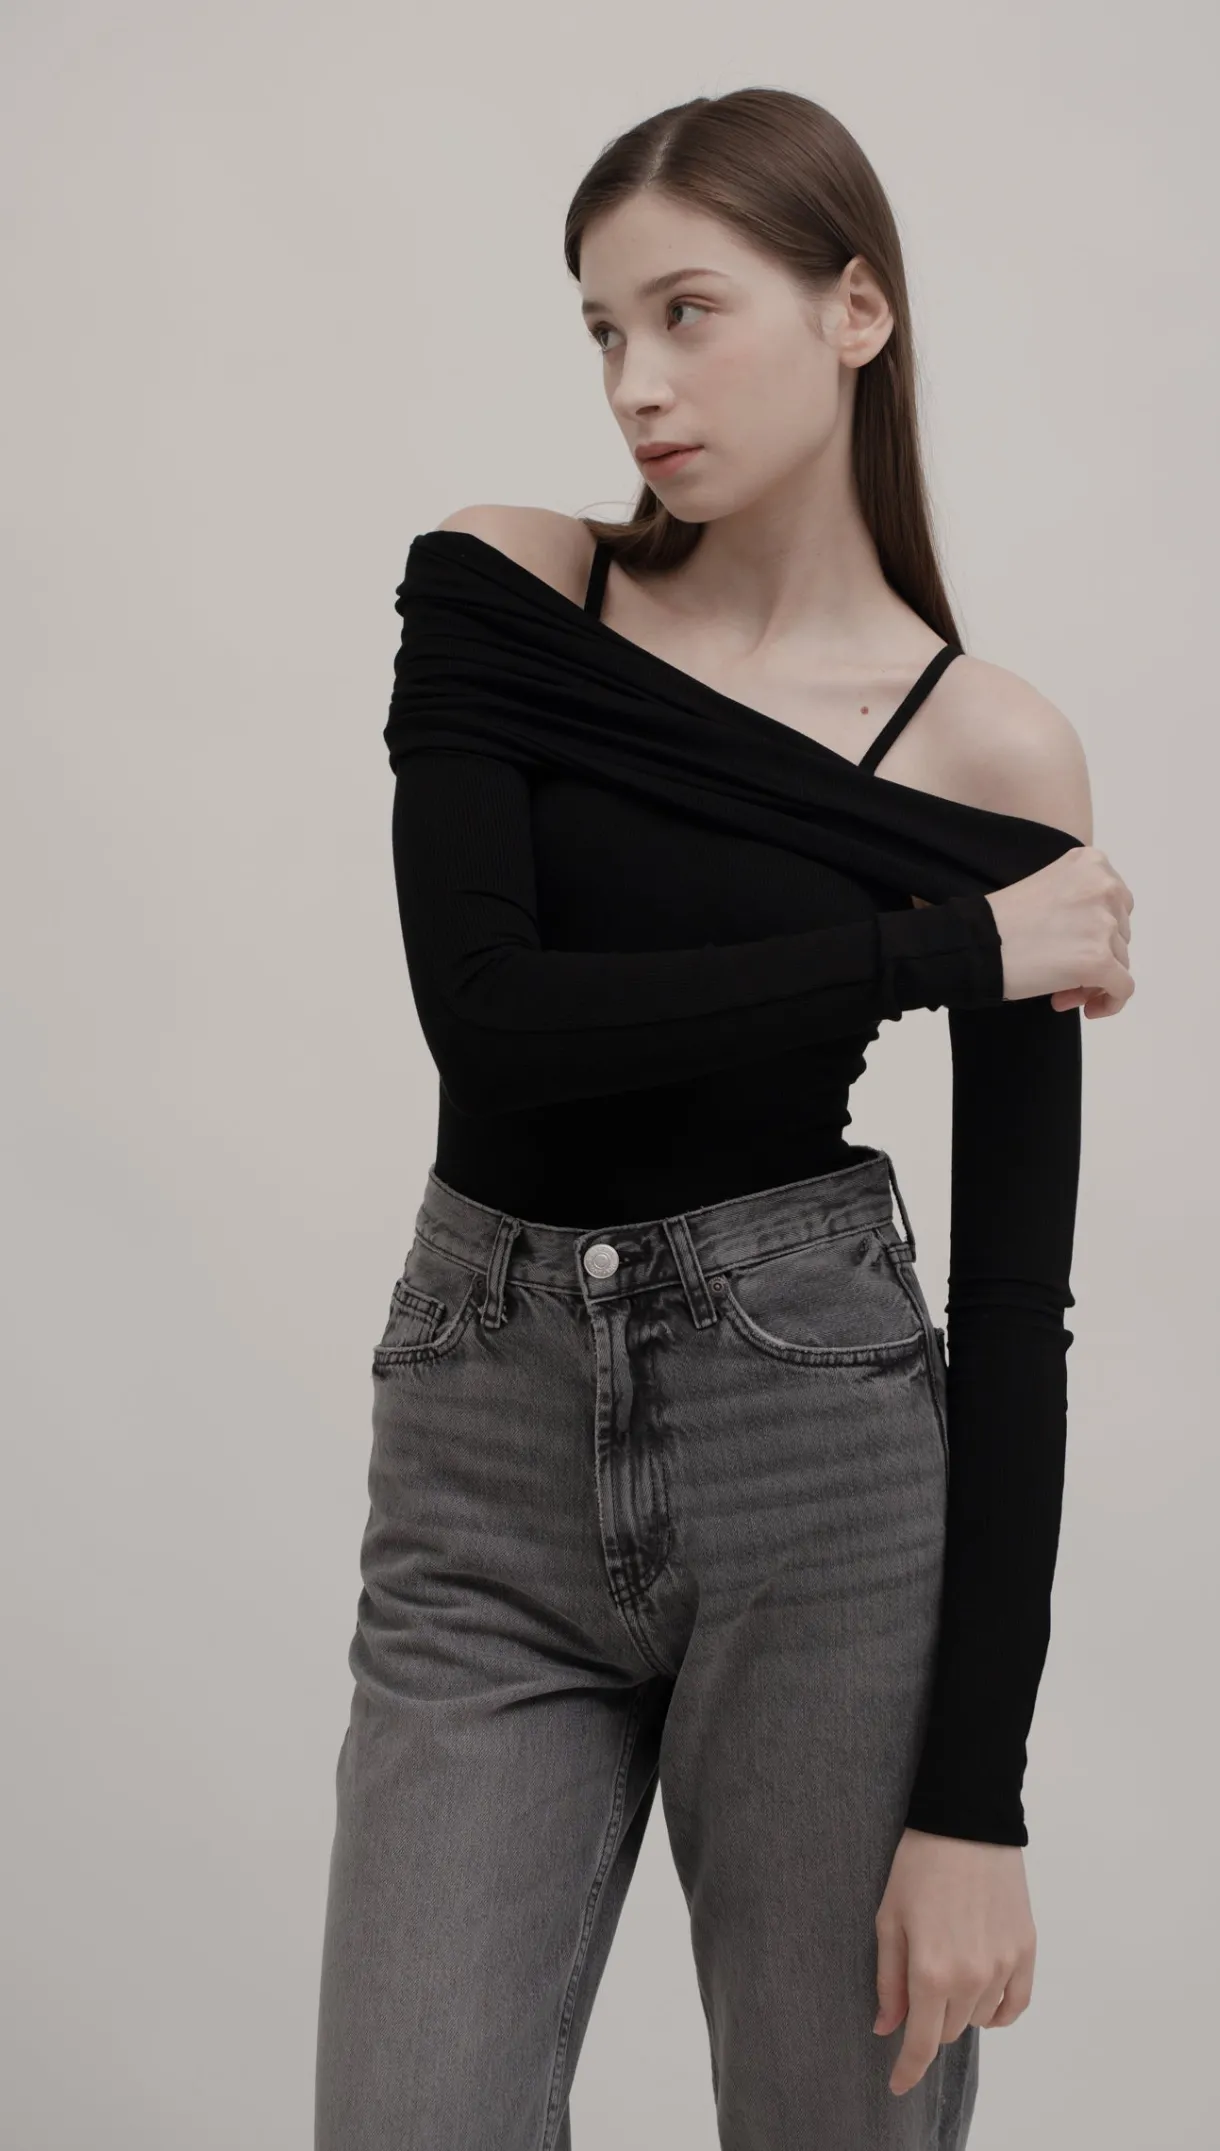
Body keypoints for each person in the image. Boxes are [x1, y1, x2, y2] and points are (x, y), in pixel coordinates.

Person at [315, 87, 1133, 2151]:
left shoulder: (991, 751)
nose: (636, 385)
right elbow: (492, 1021)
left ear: (856, 310)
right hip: (483, 1441)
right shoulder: (509, 586)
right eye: (602, 329)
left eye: (687, 311)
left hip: (821, 1459)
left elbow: (1016, 1310)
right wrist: (944, 948)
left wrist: (975, 1803)